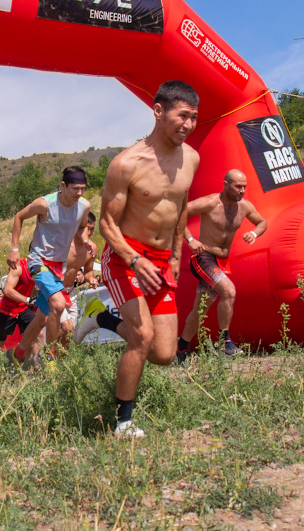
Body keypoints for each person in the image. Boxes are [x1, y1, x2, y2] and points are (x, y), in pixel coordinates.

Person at [95, 81, 201, 438]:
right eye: (182, 116)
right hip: (125, 256)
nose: (187, 125)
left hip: (161, 260)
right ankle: (122, 422)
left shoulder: (192, 158)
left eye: (194, 118)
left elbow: (181, 205)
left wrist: (176, 254)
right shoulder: (126, 164)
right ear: (158, 111)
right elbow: (106, 224)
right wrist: (133, 258)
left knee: (164, 353)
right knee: (141, 337)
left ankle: (106, 321)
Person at [175, 169, 268, 363]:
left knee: (200, 310)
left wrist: (254, 233)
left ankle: (181, 348)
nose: (242, 191)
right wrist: (190, 239)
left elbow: (262, 222)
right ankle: (225, 343)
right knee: (229, 291)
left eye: (244, 187)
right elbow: (178, 213)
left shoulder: (244, 207)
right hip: (203, 258)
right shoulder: (210, 202)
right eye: (237, 186)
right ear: (225, 185)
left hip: (221, 262)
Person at [5, 166, 93, 367]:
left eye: (83, 188)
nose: (79, 193)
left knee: (41, 319)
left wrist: (85, 239)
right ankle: (50, 358)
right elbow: (19, 216)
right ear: (63, 185)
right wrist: (14, 248)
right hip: (38, 261)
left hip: (58, 267)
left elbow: (81, 228)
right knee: (58, 304)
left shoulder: (84, 206)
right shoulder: (45, 204)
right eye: (75, 189)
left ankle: (18, 355)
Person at [57, 213, 99, 348]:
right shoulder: (64, 243)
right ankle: (46, 356)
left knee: (70, 333)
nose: (90, 232)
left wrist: (91, 278)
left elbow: (88, 271)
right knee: (66, 327)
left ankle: (58, 362)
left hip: (71, 292)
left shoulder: (91, 248)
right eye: (87, 228)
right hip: (55, 290)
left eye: (93, 228)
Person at [0, 260, 37, 352]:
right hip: (8, 307)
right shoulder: (18, 267)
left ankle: (31, 365)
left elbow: (32, 286)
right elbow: (7, 290)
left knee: (34, 336)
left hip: (24, 308)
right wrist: (28, 300)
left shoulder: (39, 266)